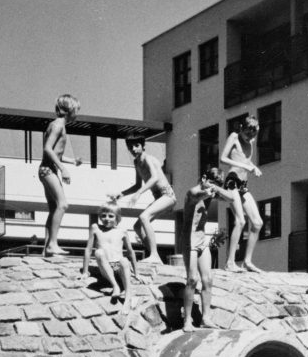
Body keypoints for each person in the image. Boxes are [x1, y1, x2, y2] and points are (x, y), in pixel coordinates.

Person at [178, 167, 229, 332]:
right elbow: (200, 195)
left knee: (208, 280)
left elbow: (232, 199)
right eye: (211, 182)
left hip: (201, 239)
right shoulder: (192, 192)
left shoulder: (211, 191)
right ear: (204, 178)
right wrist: (211, 191)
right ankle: (187, 320)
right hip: (189, 240)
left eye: (216, 184)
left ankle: (206, 317)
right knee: (192, 279)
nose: (213, 186)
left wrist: (217, 188)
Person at [113, 134, 175, 264]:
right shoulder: (137, 162)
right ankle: (156, 256)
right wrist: (122, 194)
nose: (134, 149)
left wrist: (139, 193)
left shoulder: (148, 159)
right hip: (159, 197)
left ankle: (154, 255)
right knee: (137, 226)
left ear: (143, 146)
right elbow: (137, 185)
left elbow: (154, 178)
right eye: (131, 147)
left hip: (167, 195)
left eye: (136, 146)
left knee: (144, 217)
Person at [219, 115, 264, 272]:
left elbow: (245, 160)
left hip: (243, 185)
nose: (249, 137)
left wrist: (253, 166)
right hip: (232, 182)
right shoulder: (234, 137)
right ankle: (230, 262)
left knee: (257, 223)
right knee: (240, 221)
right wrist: (246, 166)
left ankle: (247, 261)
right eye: (247, 134)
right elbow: (223, 158)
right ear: (241, 129)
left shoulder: (251, 142)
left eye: (253, 135)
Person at [39, 94, 82, 256]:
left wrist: (72, 161)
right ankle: (52, 244)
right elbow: (48, 149)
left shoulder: (56, 125)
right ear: (69, 110)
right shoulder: (58, 126)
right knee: (62, 204)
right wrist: (63, 169)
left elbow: (55, 153)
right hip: (48, 170)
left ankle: (47, 248)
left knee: (53, 209)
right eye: (76, 110)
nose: (77, 114)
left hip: (47, 169)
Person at [81, 202, 137, 304]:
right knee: (99, 252)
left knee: (124, 260)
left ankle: (128, 295)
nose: (107, 218)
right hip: (106, 267)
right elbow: (88, 250)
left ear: (117, 217)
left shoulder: (122, 231)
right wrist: (85, 271)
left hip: (119, 266)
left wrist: (137, 273)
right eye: (103, 216)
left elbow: (130, 251)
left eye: (111, 216)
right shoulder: (95, 228)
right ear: (100, 217)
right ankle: (115, 286)